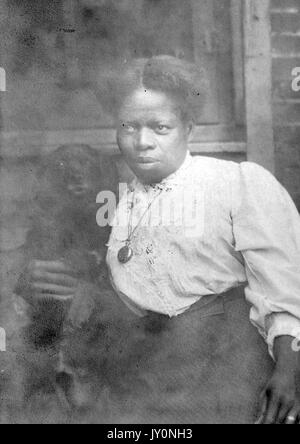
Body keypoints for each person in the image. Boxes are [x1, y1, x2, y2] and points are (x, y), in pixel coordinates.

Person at [24, 56, 300, 424]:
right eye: (129, 127)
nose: (142, 142)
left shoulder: (236, 183)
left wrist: (289, 372)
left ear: (189, 127)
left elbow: (285, 292)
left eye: (160, 127)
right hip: (142, 374)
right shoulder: (112, 198)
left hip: (225, 370)